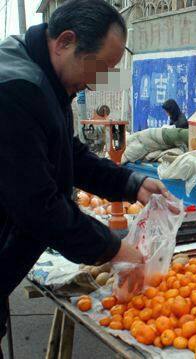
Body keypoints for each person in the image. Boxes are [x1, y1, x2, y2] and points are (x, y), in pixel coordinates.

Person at [0, 0, 172, 343]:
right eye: (97, 68)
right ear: (65, 41)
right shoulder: (15, 91)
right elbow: (40, 208)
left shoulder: (45, 77)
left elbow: (69, 156)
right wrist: (114, 249)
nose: (95, 83)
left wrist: (130, 183)